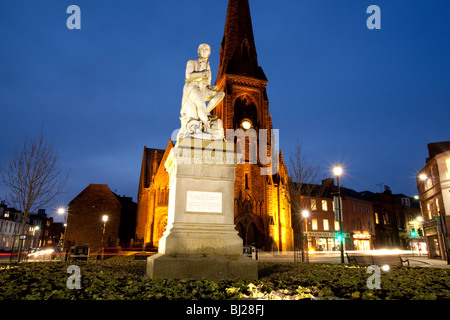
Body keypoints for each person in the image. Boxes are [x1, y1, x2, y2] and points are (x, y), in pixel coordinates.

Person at [180, 43, 225, 135]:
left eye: (207, 49)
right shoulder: (191, 62)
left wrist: (212, 88)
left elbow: (207, 84)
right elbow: (188, 76)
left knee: (221, 94)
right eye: (202, 49)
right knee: (200, 103)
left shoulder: (208, 67)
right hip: (193, 87)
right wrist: (203, 74)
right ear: (198, 51)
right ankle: (207, 125)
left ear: (209, 52)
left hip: (203, 89)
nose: (204, 51)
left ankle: (206, 112)